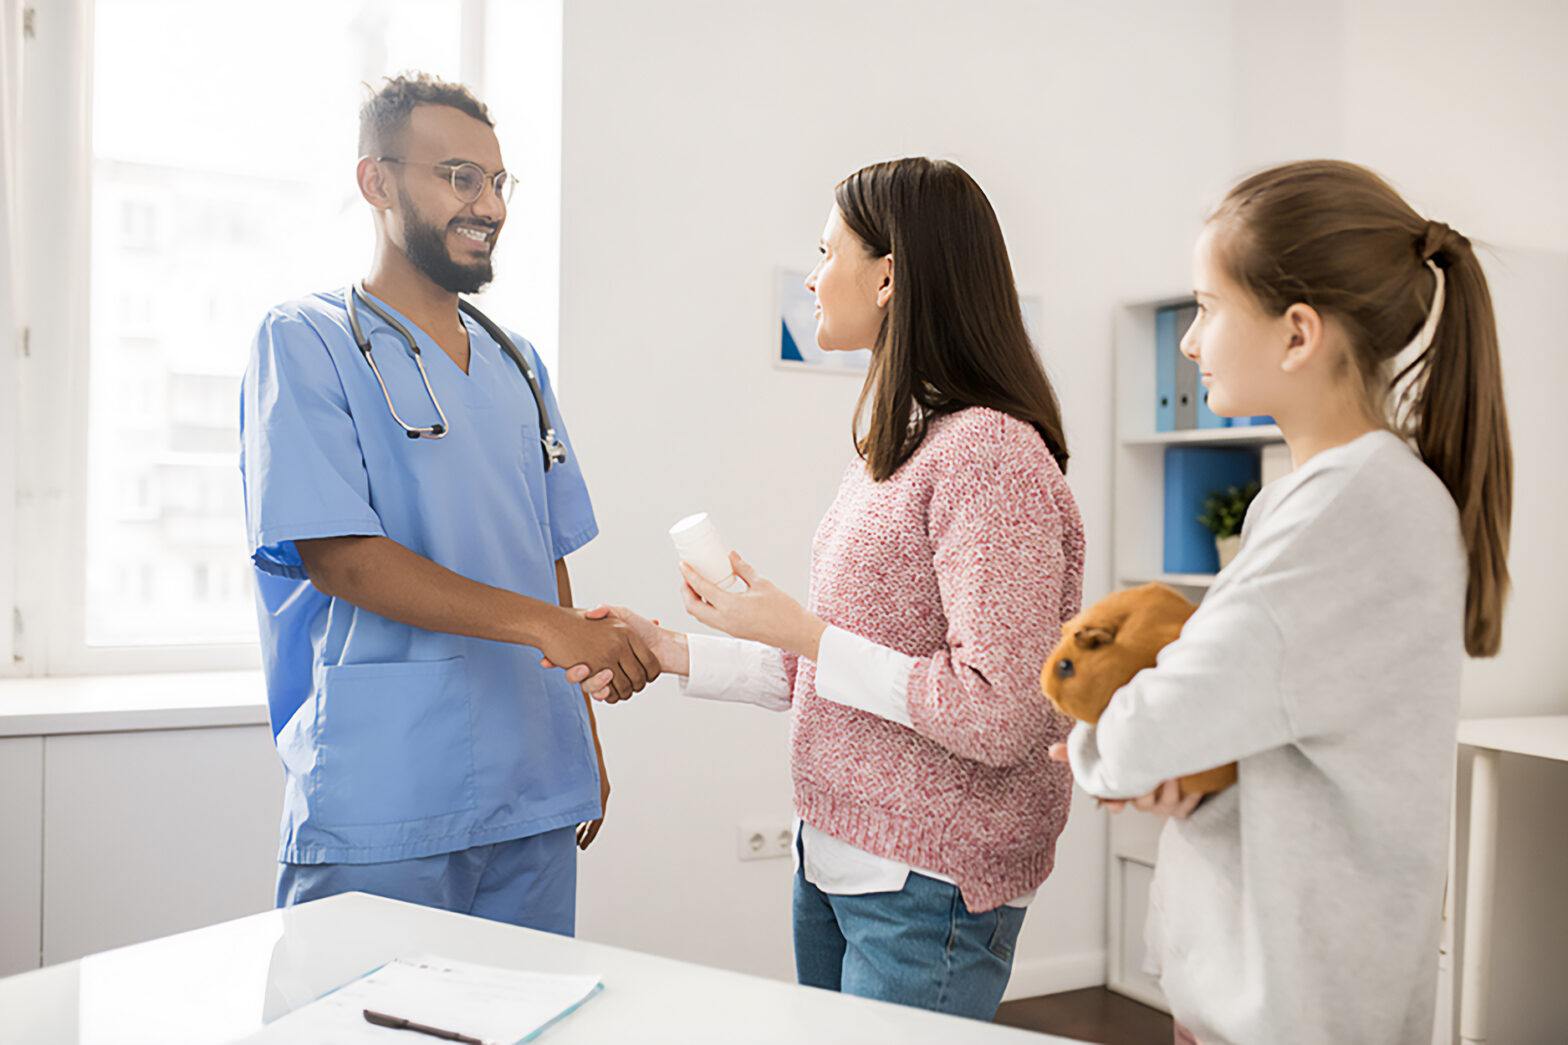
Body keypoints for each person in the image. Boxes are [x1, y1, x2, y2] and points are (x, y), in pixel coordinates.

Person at [569, 158, 1085, 1020]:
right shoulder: (902, 447)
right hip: (840, 861)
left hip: (930, 885)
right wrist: (668, 647)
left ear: (888, 275)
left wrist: (808, 633)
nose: (811, 276)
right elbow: (839, 678)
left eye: (823, 250)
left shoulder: (989, 455)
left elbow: (1002, 714)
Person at [1054, 160, 1513, 1045]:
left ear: (1298, 334)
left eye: (1208, 307)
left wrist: (1111, 747)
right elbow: (1265, 713)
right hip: (1275, 983)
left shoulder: (1347, 512)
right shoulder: (1325, 497)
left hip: (1295, 1006)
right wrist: (1188, 761)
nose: (1189, 343)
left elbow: (1147, 727)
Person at [238, 73, 658, 935]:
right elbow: (341, 555)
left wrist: (579, 731)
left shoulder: (518, 363)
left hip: (534, 781)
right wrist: (550, 629)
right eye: (460, 176)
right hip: (386, 784)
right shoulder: (305, 339)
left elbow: (546, 555)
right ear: (377, 182)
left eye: (499, 182)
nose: (489, 204)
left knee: (524, 1022)